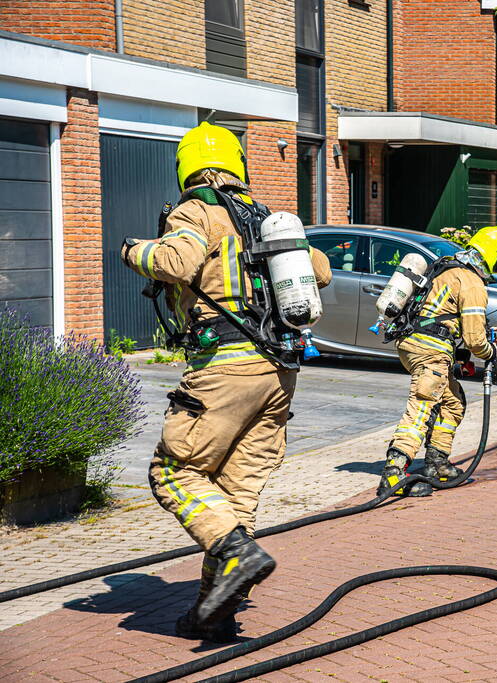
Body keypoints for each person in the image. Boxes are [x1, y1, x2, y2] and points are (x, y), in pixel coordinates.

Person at [120, 122, 332, 641]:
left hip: (223, 368)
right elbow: (320, 271)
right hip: (279, 373)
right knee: (235, 496)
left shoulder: (195, 210)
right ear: (239, 165)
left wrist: (133, 250)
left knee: (174, 473)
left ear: (186, 167)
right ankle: (215, 612)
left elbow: (176, 260)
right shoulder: (264, 218)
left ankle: (237, 556)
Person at [377, 226, 497, 498]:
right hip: (430, 349)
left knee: (452, 402)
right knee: (423, 405)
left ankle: (436, 462)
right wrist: (489, 353)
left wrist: (460, 353)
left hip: (414, 343)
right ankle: (393, 473)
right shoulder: (472, 282)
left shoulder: (448, 269)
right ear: (494, 258)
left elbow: (445, 317)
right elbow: (475, 339)